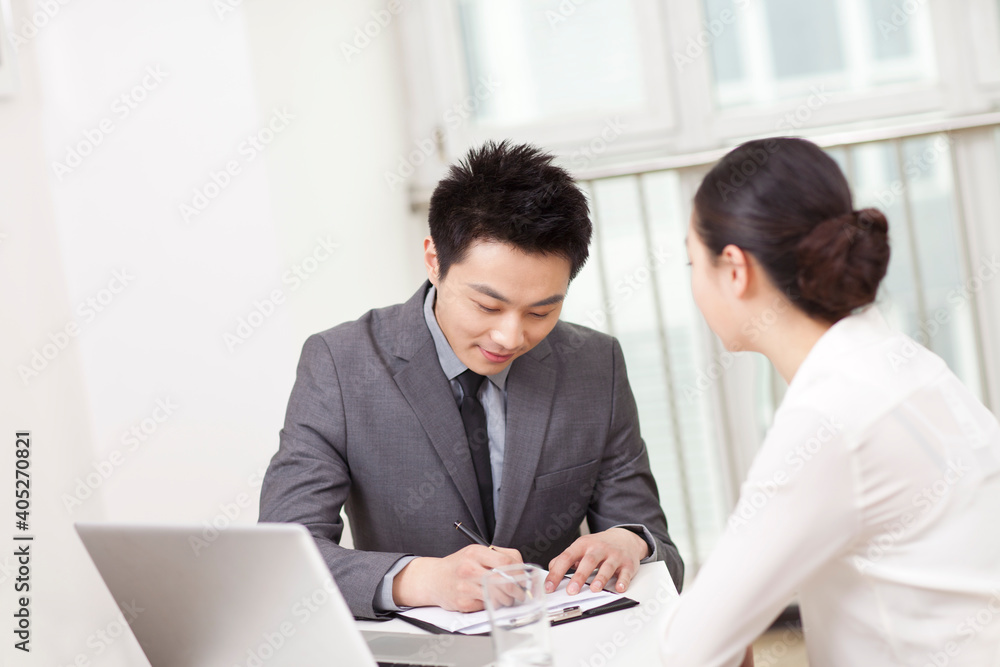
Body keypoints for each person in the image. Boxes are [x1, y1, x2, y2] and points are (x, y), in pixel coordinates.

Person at [260, 140, 684, 620]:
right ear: (434, 261)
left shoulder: (594, 364)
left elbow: (662, 551)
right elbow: (283, 555)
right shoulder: (341, 364)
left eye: (542, 310)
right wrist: (419, 580)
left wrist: (630, 541)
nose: (510, 336)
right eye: (487, 306)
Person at [660, 137, 1000, 665]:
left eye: (691, 264)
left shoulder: (833, 420)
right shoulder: (903, 363)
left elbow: (687, 652)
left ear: (734, 268)